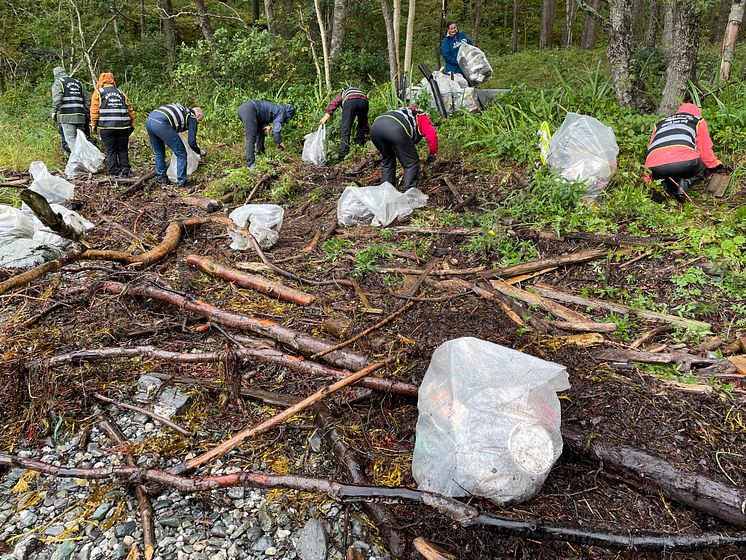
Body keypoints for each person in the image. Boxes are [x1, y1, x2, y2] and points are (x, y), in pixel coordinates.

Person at [644, 103, 722, 200]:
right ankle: (686, 182)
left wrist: (647, 178)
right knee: (702, 165)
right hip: (684, 164)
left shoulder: (660, 123)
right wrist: (714, 164)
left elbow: (651, 150)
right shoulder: (696, 120)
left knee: (665, 173)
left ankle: (663, 188)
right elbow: (704, 149)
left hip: (655, 167)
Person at [370, 106, 438, 191]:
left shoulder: (404, 112)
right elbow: (432, 135)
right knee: (411, 163)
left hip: (375, 128)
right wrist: (433, 153)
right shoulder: (422, 117)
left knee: (388, 161)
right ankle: (409, 197)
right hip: (394, 128)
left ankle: (386, 194)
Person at [145, 103, 205, 187]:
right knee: (181, 153)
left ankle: (161, 178)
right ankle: (181, 181)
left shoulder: (183, 110)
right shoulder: (192, 117)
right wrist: (199, 152)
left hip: (150, 120)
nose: (197, 123)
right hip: (161, 123)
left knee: (159, 152)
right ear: (198, 115)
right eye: (199, 121)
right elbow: (191, 142)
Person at [90, 72, 135, 177]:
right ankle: (125, 170)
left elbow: (94, 110)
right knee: (123, 149)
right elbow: (130, 109)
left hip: (107, 127)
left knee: (111, 150)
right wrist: (132, 124)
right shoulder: (120, 92)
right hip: (124, 126)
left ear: (101, 81)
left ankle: (113, 172)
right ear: (112, 81)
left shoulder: (98, 92)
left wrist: (93, 124)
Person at [237, 100, 296, 169]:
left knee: (261, 131)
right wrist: (280, 142)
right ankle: (251, 165)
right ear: (289, 114)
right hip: (250, 110)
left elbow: (263, 113)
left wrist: (266, 125)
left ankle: (260, 154)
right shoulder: (282, 112)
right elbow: (276, 132)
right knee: (251, 137)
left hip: (245, 109)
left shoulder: (277, 108)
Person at [319, 86, 369, 162]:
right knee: (361, 126)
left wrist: (326, 116)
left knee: (346, 129)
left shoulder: (343, 93)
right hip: (364, 102)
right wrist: (367, 129)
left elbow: (334, 104)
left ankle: (343, 156)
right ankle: (360, 148)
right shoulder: (359, 92)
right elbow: (365, 120)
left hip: (350, 102)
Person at [51, 67, 91, 155]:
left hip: (67, 116)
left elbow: (57, 99)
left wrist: (54, 111)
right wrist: (87, 112)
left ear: (55, 75)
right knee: (80, 140)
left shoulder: (59, 82)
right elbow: (88, 99)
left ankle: (78, 162)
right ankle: (85, 160)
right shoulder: (78, 82)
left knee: (71, 140)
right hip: (81, 116)